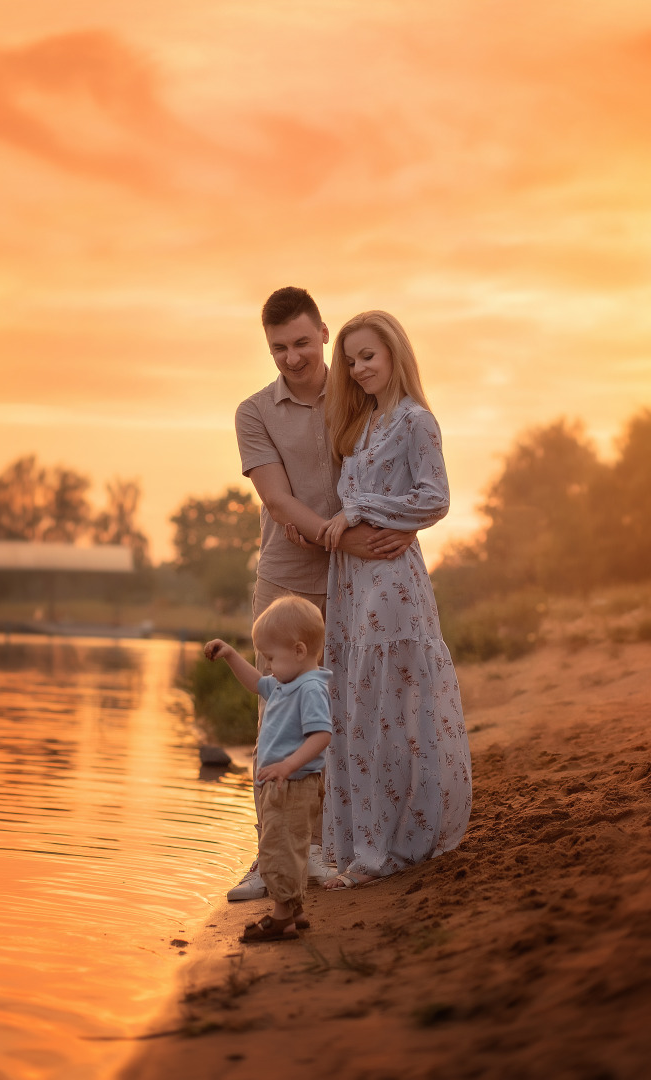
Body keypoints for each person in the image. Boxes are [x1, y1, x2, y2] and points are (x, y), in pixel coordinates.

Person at [231, 287, 417, 901]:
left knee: (341, 717)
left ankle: (321, 850)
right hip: (287, 577)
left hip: (353, 582)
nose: (291, 357)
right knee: (275, 724)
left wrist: (381, 536)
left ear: (324, 334)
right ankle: (268, 860)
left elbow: (388, 469)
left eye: (302, 343)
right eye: (279, 348)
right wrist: (342, 538)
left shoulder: (354, 393)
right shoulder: (254, 411)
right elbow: (278, 500)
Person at [316, 310, 472, 889]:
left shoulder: (415, 420)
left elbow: (436, 498)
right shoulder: (361, 427)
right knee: (357, 705)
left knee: (391, 705)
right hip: (352, 584)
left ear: (395, 354)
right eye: (351, 360)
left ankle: (392, 845)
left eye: (368, 357)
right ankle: (364, 844)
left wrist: (363, 512)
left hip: (391, 582)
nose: (357, 369)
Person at [204, 597, 332, 941]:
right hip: (281, 784)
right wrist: (231, 654)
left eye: (272, 658)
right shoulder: (284, 683)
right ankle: (295, 911)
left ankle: (281, 918)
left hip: (294, 783)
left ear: (300, 650)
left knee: (278, 849)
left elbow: (322, 734)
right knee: (287, 846)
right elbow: (255, 682)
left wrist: (288, 765)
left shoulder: (310, 688)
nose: (269, 666)